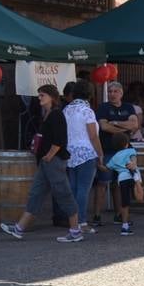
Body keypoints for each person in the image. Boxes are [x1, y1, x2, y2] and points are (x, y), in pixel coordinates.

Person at [0, 84, 83, 243]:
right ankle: (19, 229)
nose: (39, 98)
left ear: (51, 97)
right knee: (36, 193)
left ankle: (75, 231)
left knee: (63, 193)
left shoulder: (56, 115)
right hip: (46, 162)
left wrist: (49, 155)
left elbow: (59, 140)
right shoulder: (47, 114)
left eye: (42, 95)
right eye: (39, 95)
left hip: (53, 161)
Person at [94, 81, 139, 226]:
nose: (112, 94)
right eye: (110, 92)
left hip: (124, 151)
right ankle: (96, 216)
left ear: (121, 93)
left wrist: (115, 123)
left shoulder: (128, 107)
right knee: (103, 182)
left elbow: (135, 124)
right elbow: (104, 126)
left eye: (115, 91)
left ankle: (119, 214)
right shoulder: (103, 107)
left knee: (120, 184)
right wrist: (124, 129)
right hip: (107, 150)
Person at [63, 79, 103, 232]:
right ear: (90, 94)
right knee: (83, 189)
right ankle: (82, 223)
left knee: (73, 189)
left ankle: (73, 222)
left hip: (70, 153)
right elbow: (93, 135)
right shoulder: (87, 111)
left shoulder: (66, 110)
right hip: (86, 153)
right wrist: (100, 154)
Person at [102, 132, 140, 236]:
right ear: (126, 144)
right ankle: (138, 196)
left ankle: (125, 225)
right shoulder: (131, 150)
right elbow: (134, 160)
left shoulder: (114, 157)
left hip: (122, 179)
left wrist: (98, 164)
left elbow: (106, 168)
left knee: (124, 202)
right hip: (133, 176)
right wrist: (133, 164)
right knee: (138, 195)